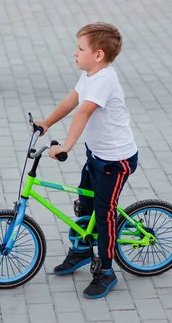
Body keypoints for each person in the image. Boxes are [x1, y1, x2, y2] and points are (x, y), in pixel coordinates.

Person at [34, 22, 139, 299]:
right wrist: (47, 122)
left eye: (80, 49)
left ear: (98, 55)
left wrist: (66, 147)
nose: (74, 53)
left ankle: (106, 272)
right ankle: (81, 250)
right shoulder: (91, 75)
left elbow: (83, 113)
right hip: (97, 155)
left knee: (104, 215)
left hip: (115, 162)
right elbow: (73, 100)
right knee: (85, 202)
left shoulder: (105, 80)